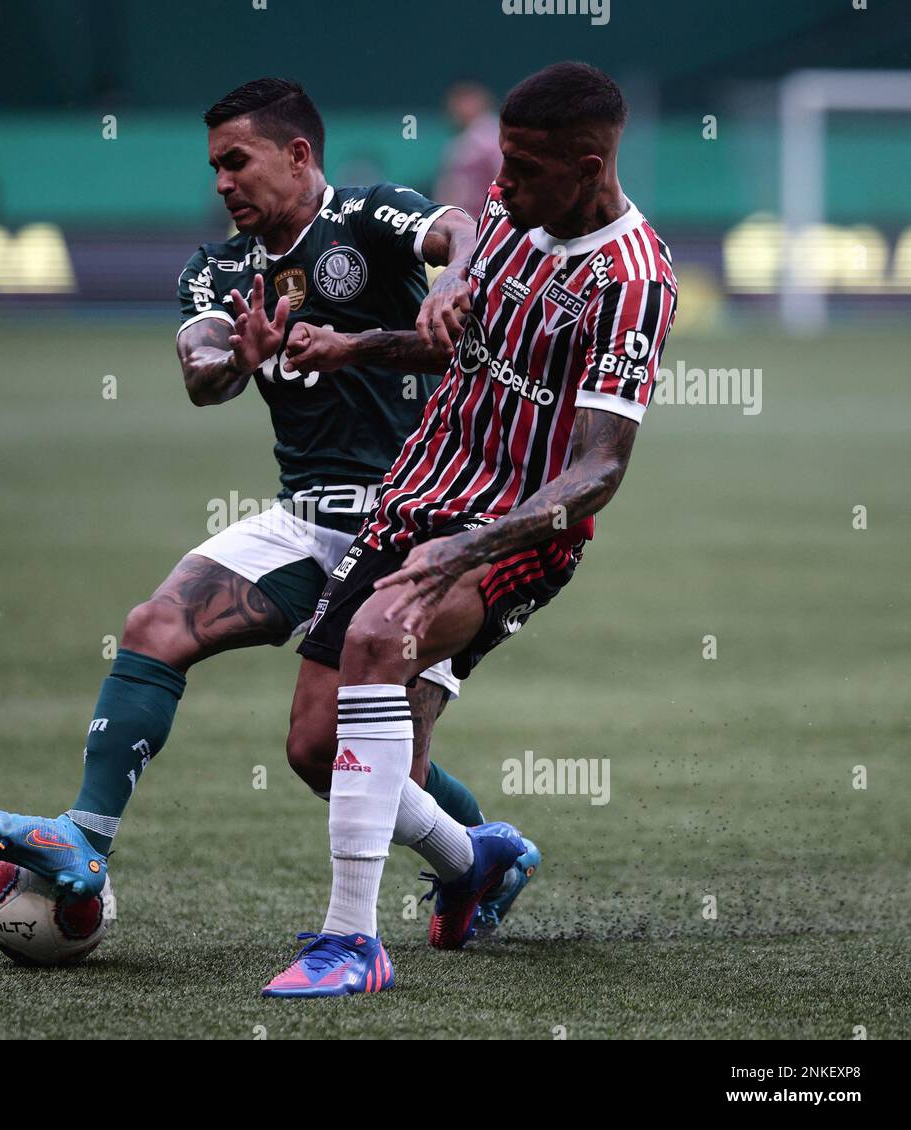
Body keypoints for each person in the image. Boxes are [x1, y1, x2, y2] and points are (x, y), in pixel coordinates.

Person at [0, 78, 492, 903]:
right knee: (154, 625)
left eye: (236, 162)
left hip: (419, 527)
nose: (222, 183)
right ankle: (84, 841)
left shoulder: (367, 216)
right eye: (214, 167)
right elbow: (202, 372)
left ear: (298, 154)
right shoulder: (218, 269)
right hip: (308, 521)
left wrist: (455, 279)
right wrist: (236, 360)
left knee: (334, 757)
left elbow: (457, 227)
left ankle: (478, 858)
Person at [262, 61, 679, 998]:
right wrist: (351, 345)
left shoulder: (634, 281)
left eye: (524, 169)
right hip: (414, 494)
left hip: (516, 533)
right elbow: (460, 336)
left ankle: (352, 944)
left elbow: (599, 469)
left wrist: (470, 547)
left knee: (377, 639)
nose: (501, 185)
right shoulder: (508, 216)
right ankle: (474, 861)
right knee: (312, 750)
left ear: (588, 165)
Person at [434, 82, 503, 219]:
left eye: (464, 101)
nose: (454, 108)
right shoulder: (462, 139)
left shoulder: (490, 136)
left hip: (482, 222)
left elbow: (502, 180)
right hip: (463, 222)